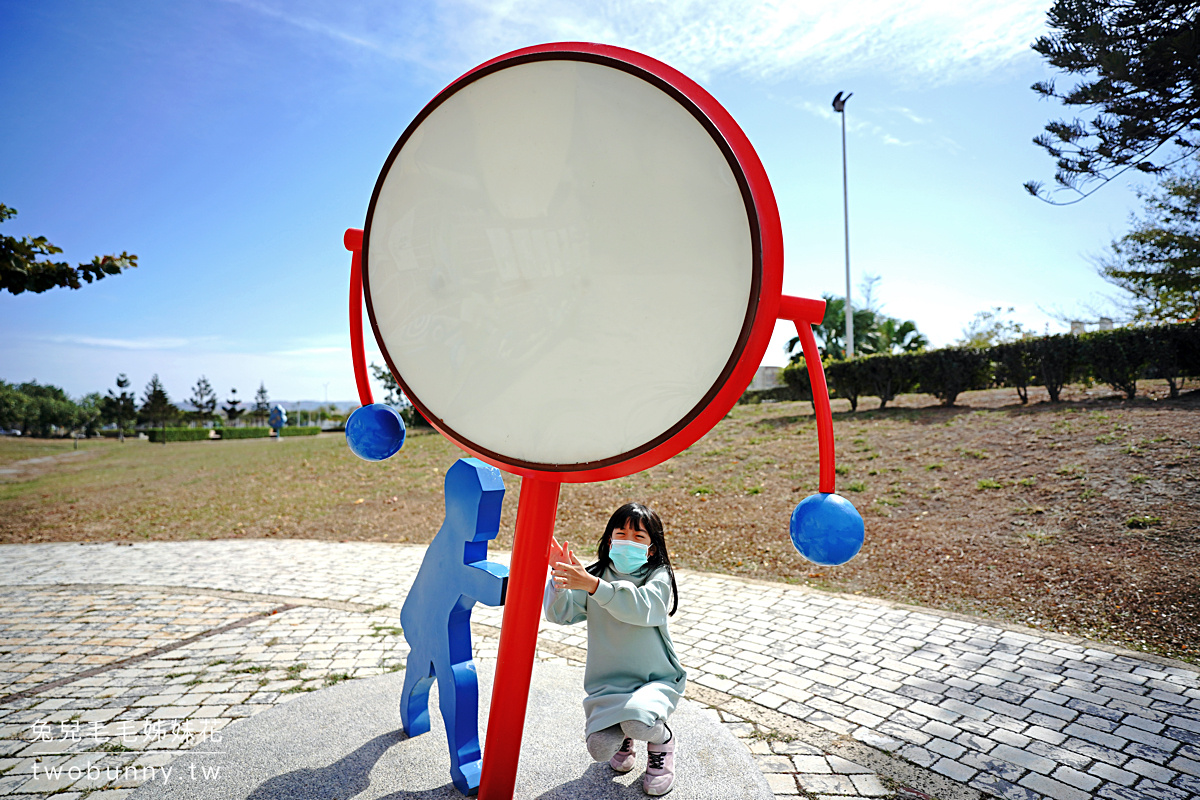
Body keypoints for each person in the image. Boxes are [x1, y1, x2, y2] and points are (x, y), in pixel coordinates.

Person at [543, 502, 686, 796]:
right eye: (621, 534)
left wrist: (595, 586)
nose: (628, 542)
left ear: (652, 548)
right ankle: (625, 737)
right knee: (598, 748)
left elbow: (640, 606)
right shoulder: (595, 575)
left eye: (639, 537)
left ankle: (662, 741)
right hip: (608, 685)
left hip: (654, 680)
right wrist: (559, 580)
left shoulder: (657, 578)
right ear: (609, 540)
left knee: (637, 721)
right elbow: (561, 614)